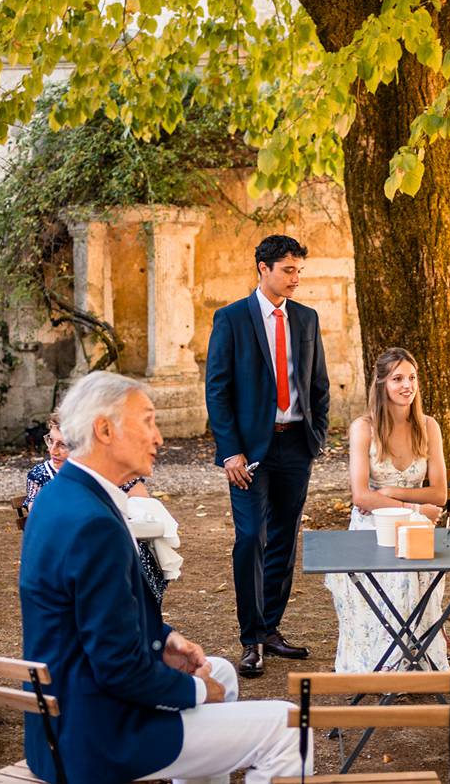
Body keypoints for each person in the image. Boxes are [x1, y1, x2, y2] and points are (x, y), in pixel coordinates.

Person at [20, 372, 309, 784]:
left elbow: (93, 614)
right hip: (97, 736)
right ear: (104, 429)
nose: (159, 438)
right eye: (149, 421)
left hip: (64, 720)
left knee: (220, 671)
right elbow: (117, 668)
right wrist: (196, 692)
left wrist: (165, 637)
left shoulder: (60, 495)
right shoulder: (92, 521)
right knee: (288, 724)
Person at [205, 234, 330, 677]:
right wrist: (230, 453)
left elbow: (318, 384)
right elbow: (217, 391)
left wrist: (315, 437)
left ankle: (272, 627)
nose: (296, 278)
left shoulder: (307, 319)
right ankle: (251, 639)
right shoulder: (232, 319)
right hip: (249, 453)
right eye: (288, 270)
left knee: (282, 538)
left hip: (297, 444)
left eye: (299, 270)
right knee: (250, 538)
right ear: (263, 268)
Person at [326, 348, 447, 672]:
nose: (407, 385)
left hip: (416, 532)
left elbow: (438, 493)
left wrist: (393, 493)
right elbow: (362, 497)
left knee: (417, 568)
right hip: (372, 531)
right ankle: (384, 666)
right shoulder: (363, 428)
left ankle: (415, 663)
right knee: (396, 575)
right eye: (397, 379)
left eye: (411, 378)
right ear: (381, 383)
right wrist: (411, 506)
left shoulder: (428, 427)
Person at [25, 413, 171, 606]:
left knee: (130, 553)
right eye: (50, 440)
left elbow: (144, 505)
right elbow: (40, 521)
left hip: (114, 543)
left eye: (63, 444)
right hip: (67, 550)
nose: (53, 450)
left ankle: (135, 619)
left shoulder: (106, 469)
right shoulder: (41, 475)